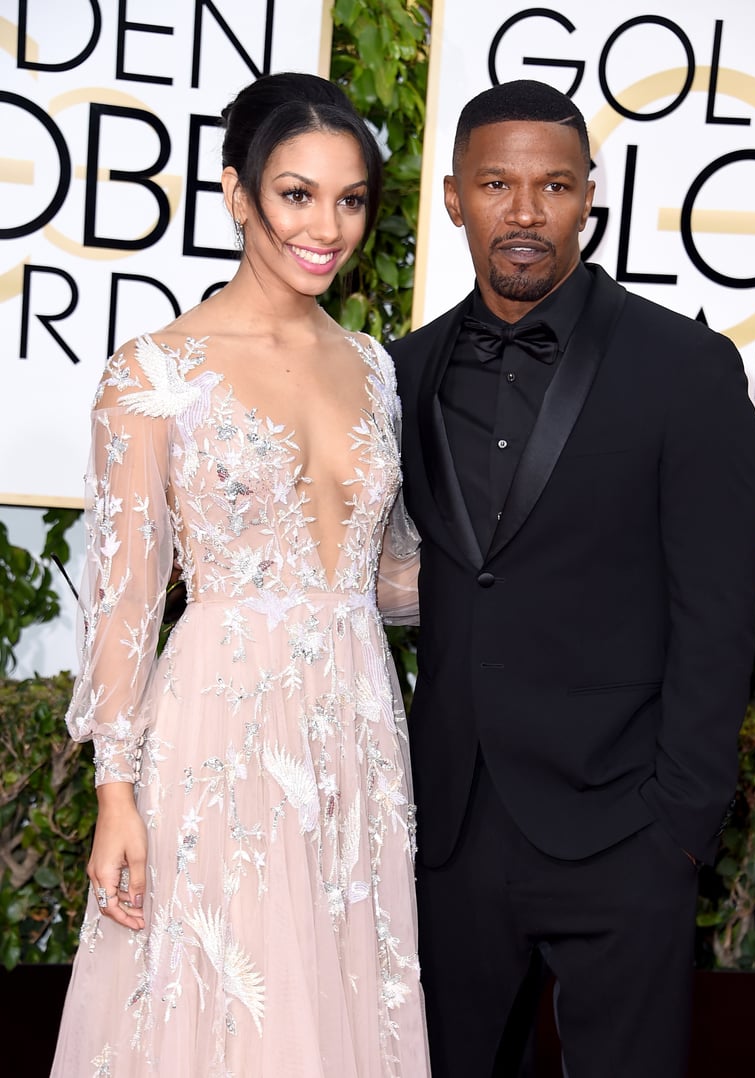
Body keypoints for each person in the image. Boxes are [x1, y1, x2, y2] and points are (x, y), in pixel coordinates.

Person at [51, 71, 429, 1078]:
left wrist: (534, 567)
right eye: (297, 194)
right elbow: (126, 600)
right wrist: (116, 792)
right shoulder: (157, 370)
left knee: (342, 1002)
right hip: (220, 728)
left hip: (355, 724)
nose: (328, 226)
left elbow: (386, 580)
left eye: (350, 200)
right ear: (237, 193)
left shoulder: (374, 367)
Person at [388, 79, 755, 1078]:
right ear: (455, 197)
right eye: (497, 184)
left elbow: (721, 611)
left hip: (622, 828)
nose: (524, 211)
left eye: (553, 184)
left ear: (589, 196)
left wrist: (677, 826)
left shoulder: (684, 368)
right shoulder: (405, 372)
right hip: (454, 830)